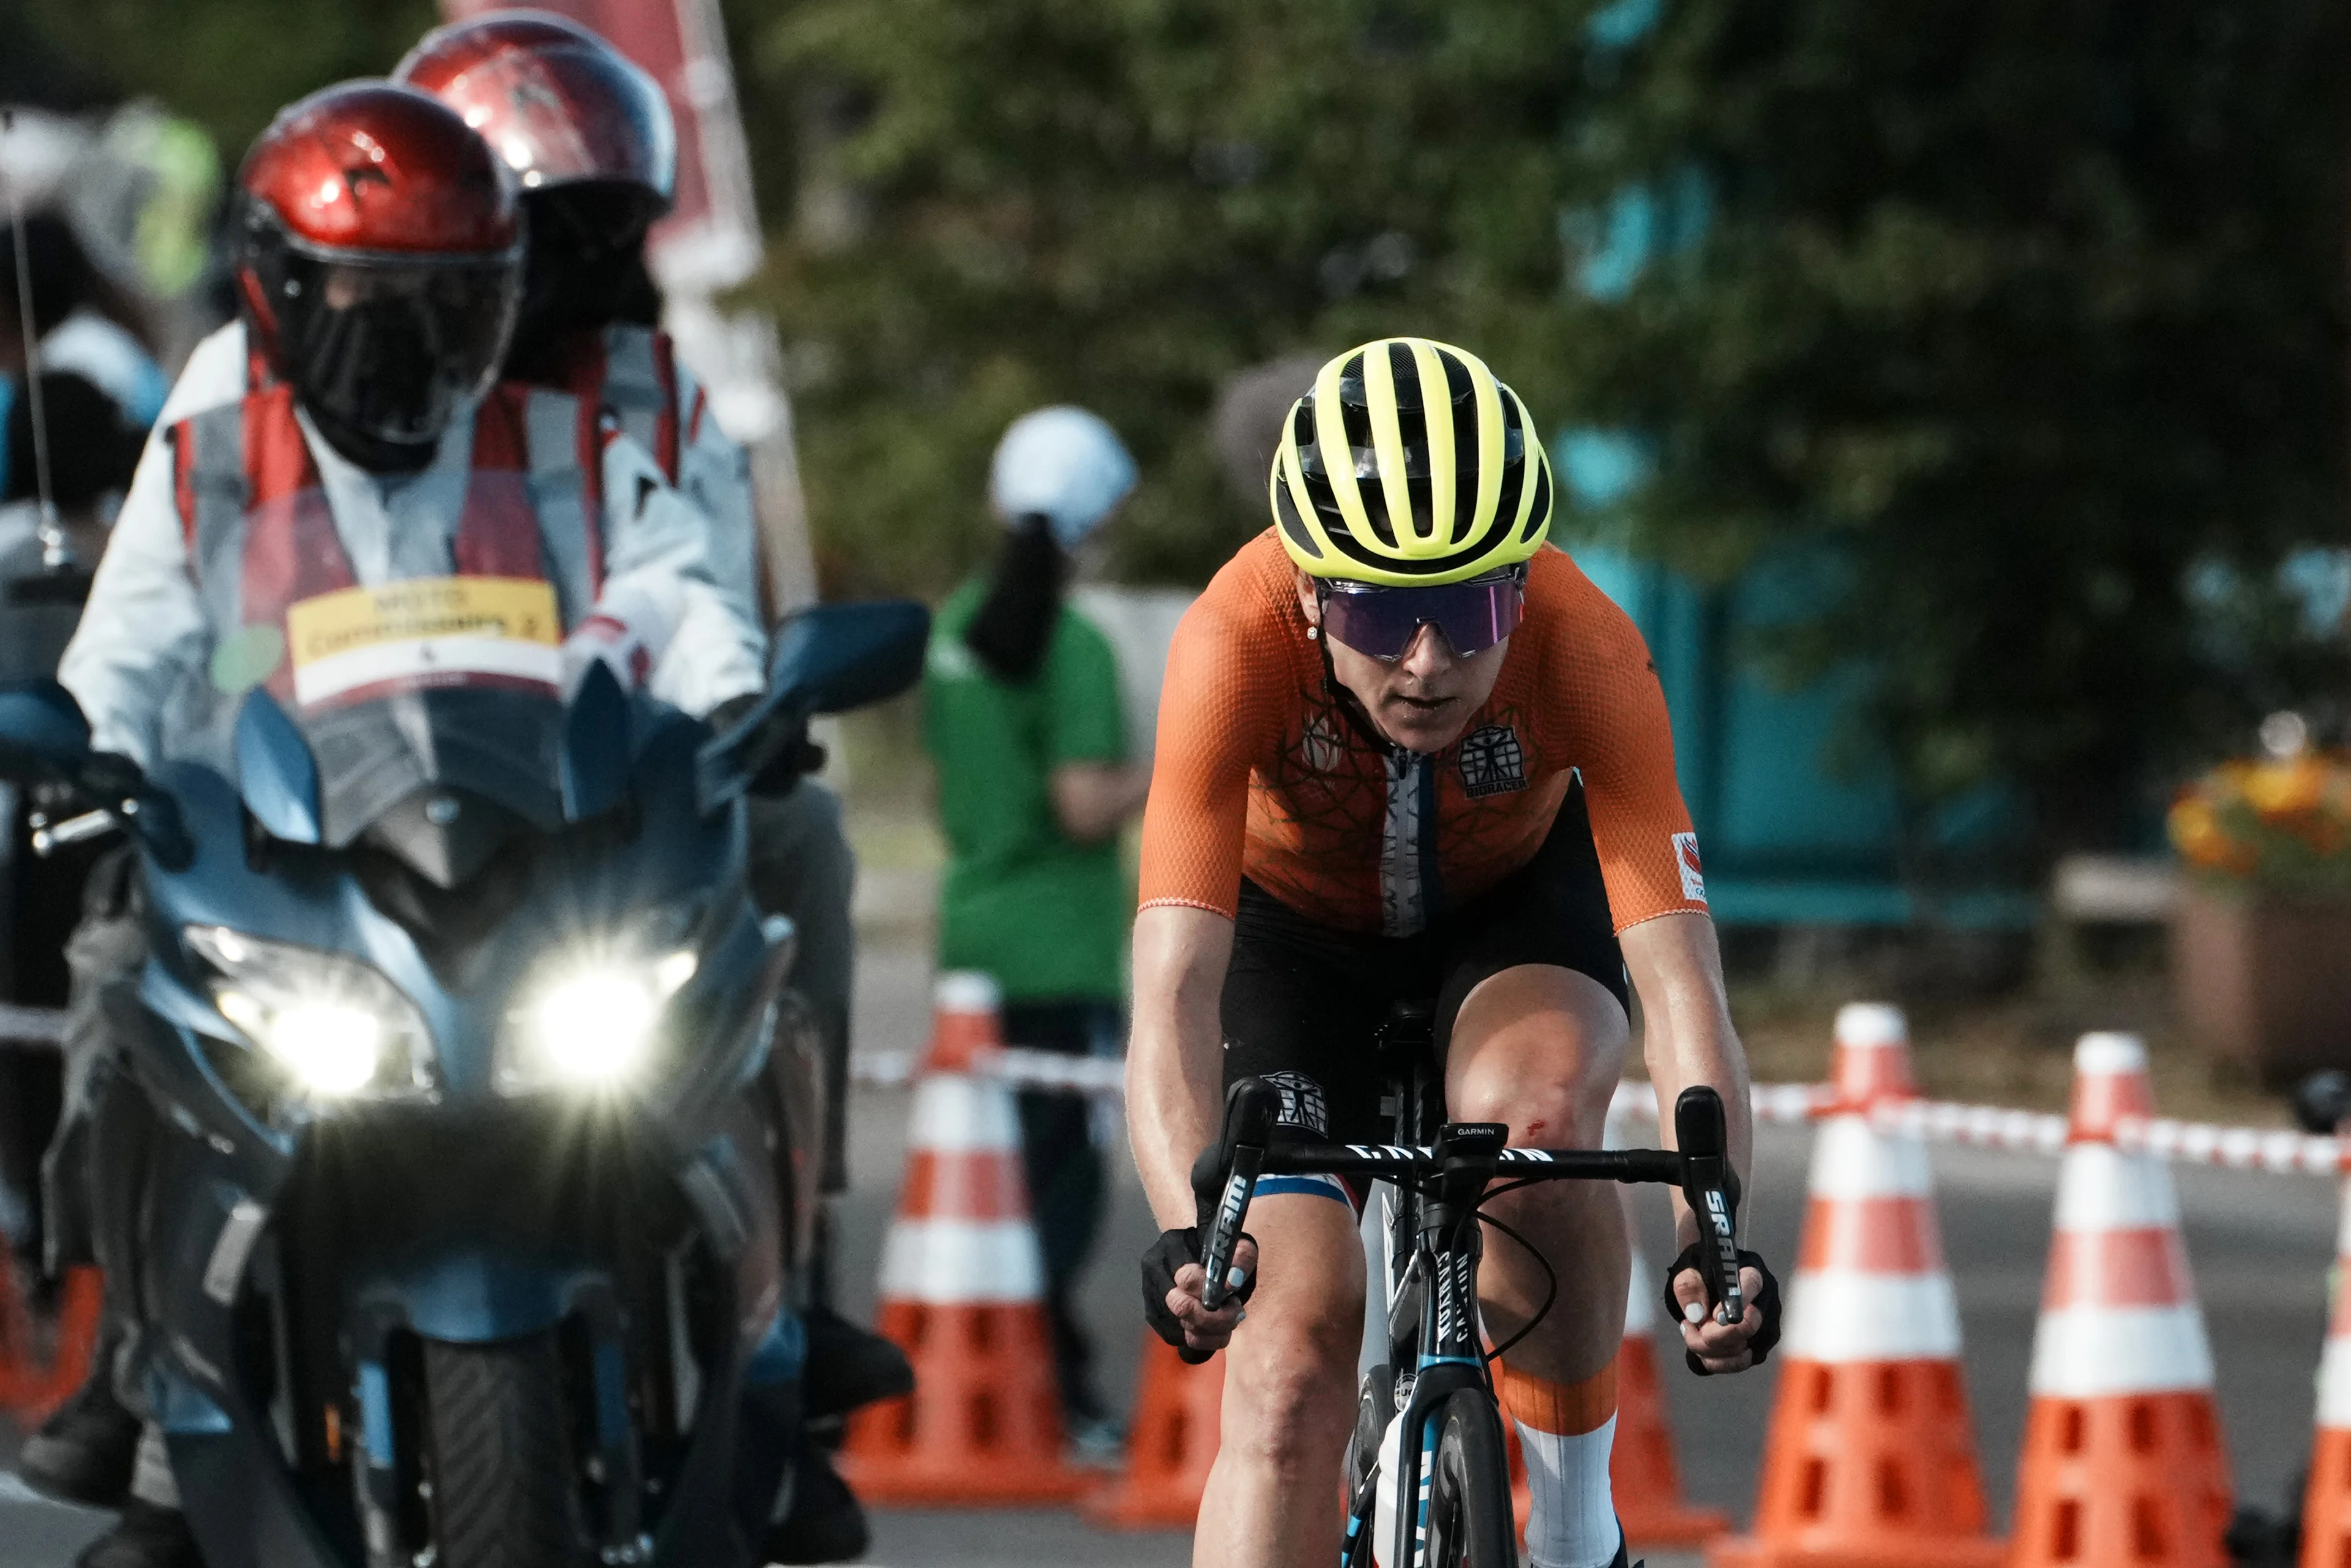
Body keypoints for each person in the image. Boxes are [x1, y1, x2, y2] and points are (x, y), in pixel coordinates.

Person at [20, 80, 763, 1568]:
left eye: (449, 306)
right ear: (280, 294)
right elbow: (133, 645)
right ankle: (146, 1396)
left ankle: (764, 1331)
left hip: (522, 842)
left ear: (503, 304)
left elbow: (678, 585)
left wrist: (739, 696)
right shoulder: (218, 425)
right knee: (116, 989)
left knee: (737, 950)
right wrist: (83, 754)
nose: (407, 346)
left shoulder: (554, 427)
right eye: (367, 304)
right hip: (284, 845)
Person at [1128, 339, 1782, 1568]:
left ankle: (1580, 1529)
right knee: (1288, 1348)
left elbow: (1683, 990)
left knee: (1539, 1128)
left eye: (1470, 609)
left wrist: (1716, 1224)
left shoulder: (1589, 645)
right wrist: (1187, 1228)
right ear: (1317, 594)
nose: (1427, 661)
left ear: (1520, 592)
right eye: (1380, 611)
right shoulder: (1233, 640)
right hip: (1290, 940)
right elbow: (1172, 992)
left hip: (1511, 914)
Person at [391, 14, 903, 1559]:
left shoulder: (663, 391)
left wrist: (752, 705)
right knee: (136, 921)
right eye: (532, 222)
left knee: (802, 828)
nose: (561, 258)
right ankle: (153, 1397)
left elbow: (709, 603)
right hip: (382, 812)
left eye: (593, 222)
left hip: (608, 807)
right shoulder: (348, 386)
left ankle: (792, 1305)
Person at [922, 406, 1153, 1453]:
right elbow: (1080, 802)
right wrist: (1179, 772)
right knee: (1052, 1197)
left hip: (970, 937)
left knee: (981, 1191)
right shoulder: (1076, 645)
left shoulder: (954, 630)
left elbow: (946, 791)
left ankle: (995, 1395)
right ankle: (1055, 1394)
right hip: (1058, 948)